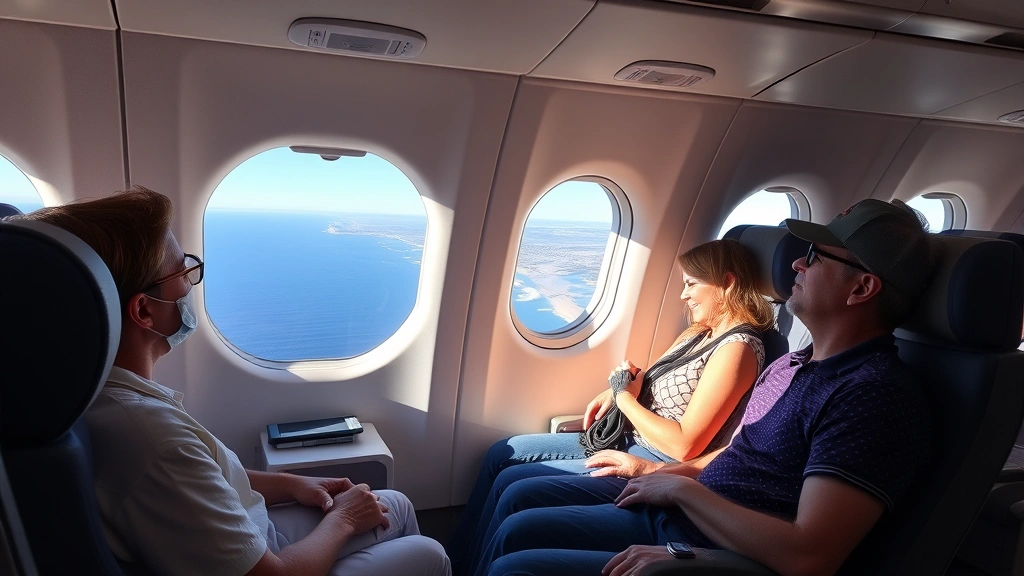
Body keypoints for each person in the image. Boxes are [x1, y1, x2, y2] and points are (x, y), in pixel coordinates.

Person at [476, 198, 937, 576]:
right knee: (519, 518)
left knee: (518, 567)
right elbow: (735, 454)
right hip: (683, 515)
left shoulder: (873, 397)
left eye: (816, 257)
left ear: (862, 289)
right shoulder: (794, 366)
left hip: (718, 551)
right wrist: (654, 474)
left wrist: (682, 496)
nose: (797, 262)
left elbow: (809, 556)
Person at [19, 187, 450, 576]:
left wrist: (292, 484)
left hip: (246, 532)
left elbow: (203, 475)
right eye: (181, 273)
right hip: (262, 559)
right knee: (429, 553)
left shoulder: (102, 393)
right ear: (144, 311)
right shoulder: (151, 436)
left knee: (394, 503)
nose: (189, 285)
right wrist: (344, 520)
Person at [450, 239, 776, 576]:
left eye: (691, 284)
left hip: (653, 459)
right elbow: (656, 384)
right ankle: (457, 563)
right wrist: (622, 385)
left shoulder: (738, 349)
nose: (683, 295)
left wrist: (624, 398)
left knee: (515, 489)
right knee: (502, 453)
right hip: (626, 435)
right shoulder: (699, 333)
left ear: (727, 283)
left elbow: (684, 445)